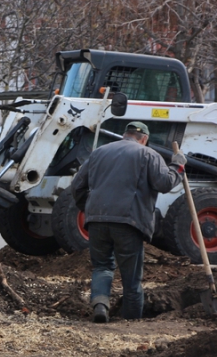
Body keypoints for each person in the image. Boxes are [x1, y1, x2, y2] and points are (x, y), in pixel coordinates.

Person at [71, 121, 185, 323]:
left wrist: (88, 208)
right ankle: (131, 322)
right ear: (144, 139)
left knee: (102, 267)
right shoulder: (147, 154)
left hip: (97, 219)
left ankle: (100, 305)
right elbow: (165, 183)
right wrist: (178, 165)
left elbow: (77, 186)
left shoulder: (98, 152)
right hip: (128, 221)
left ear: (125, 135)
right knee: (131, 277)